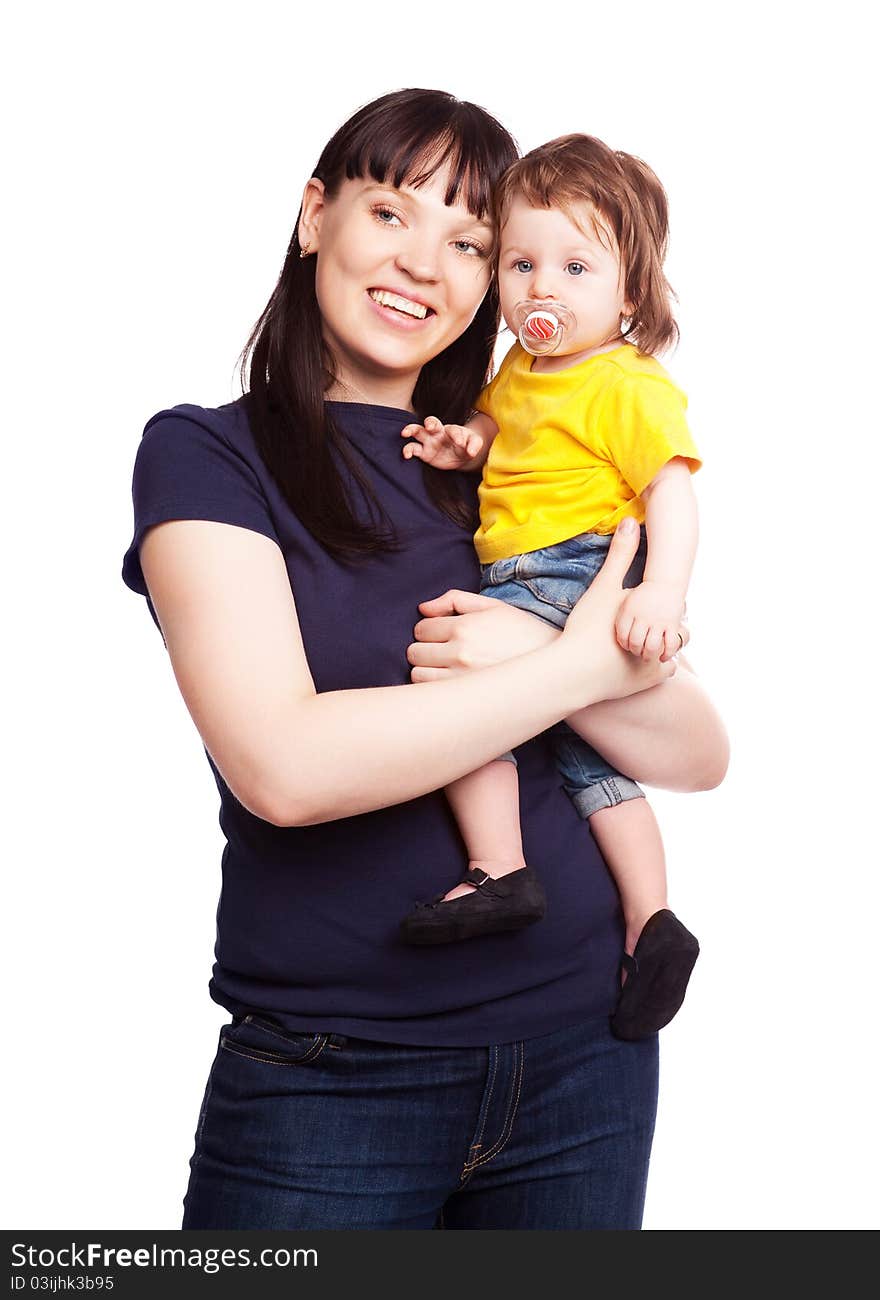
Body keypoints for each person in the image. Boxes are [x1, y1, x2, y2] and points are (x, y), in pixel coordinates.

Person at [121, 89, 728, 1230]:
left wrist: (560, 647)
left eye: (470, 243)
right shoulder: (208, 456)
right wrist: (563, 664)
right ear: (315, 216)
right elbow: (285, 769)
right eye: (393, 213)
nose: (425, 266)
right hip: (328, 1072)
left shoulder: (512, 471)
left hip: (582, 1058)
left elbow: (698, 751)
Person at [397, 134, 701, 1042]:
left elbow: (672, 498)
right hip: (524, 571)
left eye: (575, 266)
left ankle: (499, 867)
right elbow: (505, 437)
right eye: (522, 263)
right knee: (586, 762)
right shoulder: (520, 372)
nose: (542, 289)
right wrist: (465, 444)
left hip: (573, 572)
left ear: (631, 295)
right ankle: (651, 921)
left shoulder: (628, 385)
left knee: (466, 696)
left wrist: (663, 597)